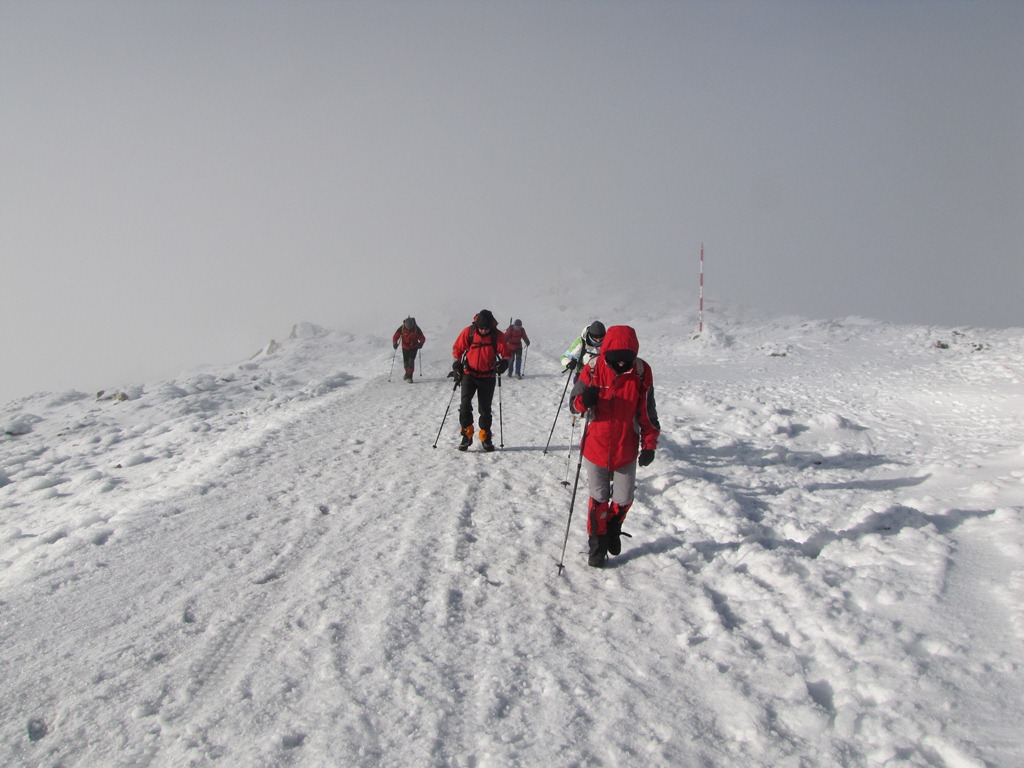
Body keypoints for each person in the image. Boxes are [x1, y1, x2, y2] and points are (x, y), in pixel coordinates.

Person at [570, 325, 660, 568]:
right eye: (616, 361)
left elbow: (648, 413)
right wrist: (584, 401)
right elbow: (573, 404)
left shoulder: (641, 372)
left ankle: (612, 525)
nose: (621, 365)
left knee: (623, 498)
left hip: (626, 447)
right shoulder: (592, 368)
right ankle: (596, 546)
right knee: (598, 498)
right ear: (606, 353)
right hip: (596, 446)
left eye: (626, 361)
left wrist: (649, 444)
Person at [450, 309, 509, 452]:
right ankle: (467, 435)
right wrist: (457, 365)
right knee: (464, 406)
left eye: (486, 328)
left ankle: (485, 437)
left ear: (491, 326)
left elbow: (506, 354)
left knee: (485, 409)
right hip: (468, 374)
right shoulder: (469, 332)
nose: (483, 331)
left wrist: (504, 364)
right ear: (477, 325)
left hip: (487, 377)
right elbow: (457, 349)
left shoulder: (497, 335)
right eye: (481, 328)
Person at [393, 317, 426, 382]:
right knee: (406, 363)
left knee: (411, 361)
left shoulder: (416, 329)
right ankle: (407, 373)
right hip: (405, 347)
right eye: (407, 327)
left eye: (410, 327)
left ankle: (410, 377)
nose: (408, 328)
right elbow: (396, 336)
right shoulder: (402, 328)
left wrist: (420, 343)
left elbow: (422, 338)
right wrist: (395, 342)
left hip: (414, 347)